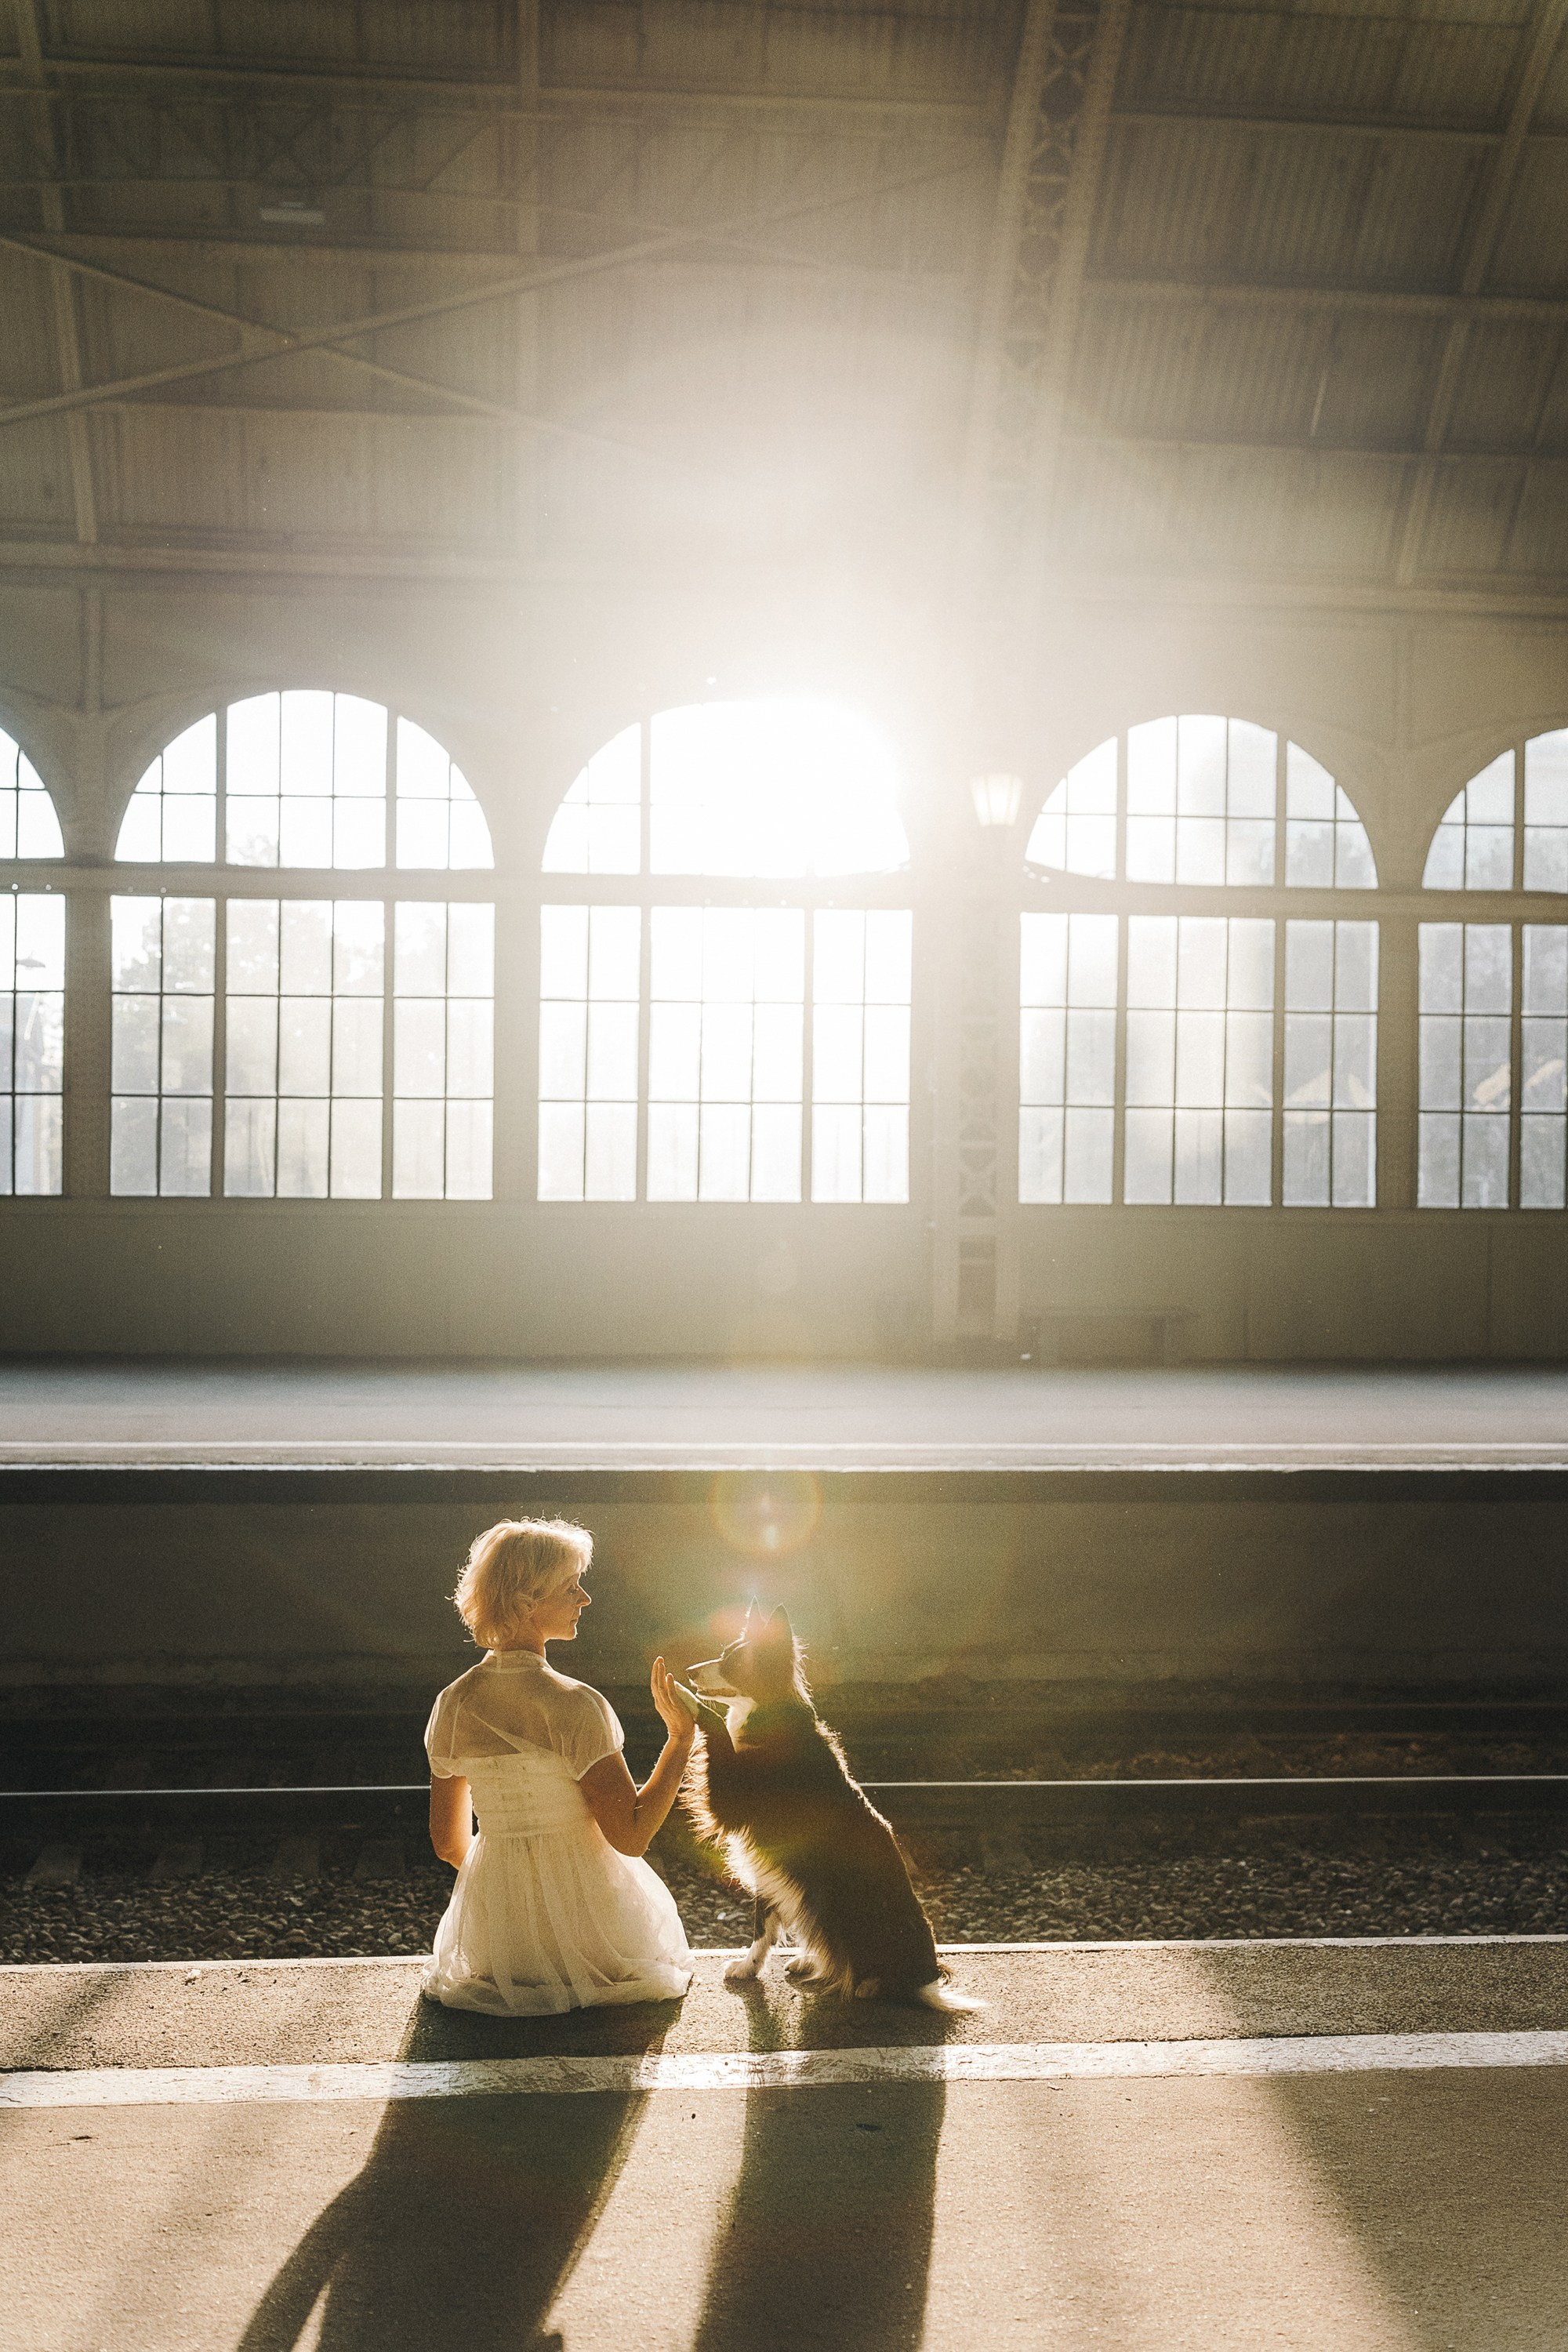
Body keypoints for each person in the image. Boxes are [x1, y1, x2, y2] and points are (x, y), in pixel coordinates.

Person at [422, 1515, 695, 2014]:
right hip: (594, 1935)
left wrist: (514, 1877)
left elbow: (447, 1843)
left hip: (499, 1943)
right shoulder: (575, 1706)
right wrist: (679, 1740)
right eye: (571, 1587)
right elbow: (631, 1837)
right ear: (529, 1602)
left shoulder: (454, 1703)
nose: (584, 1600)